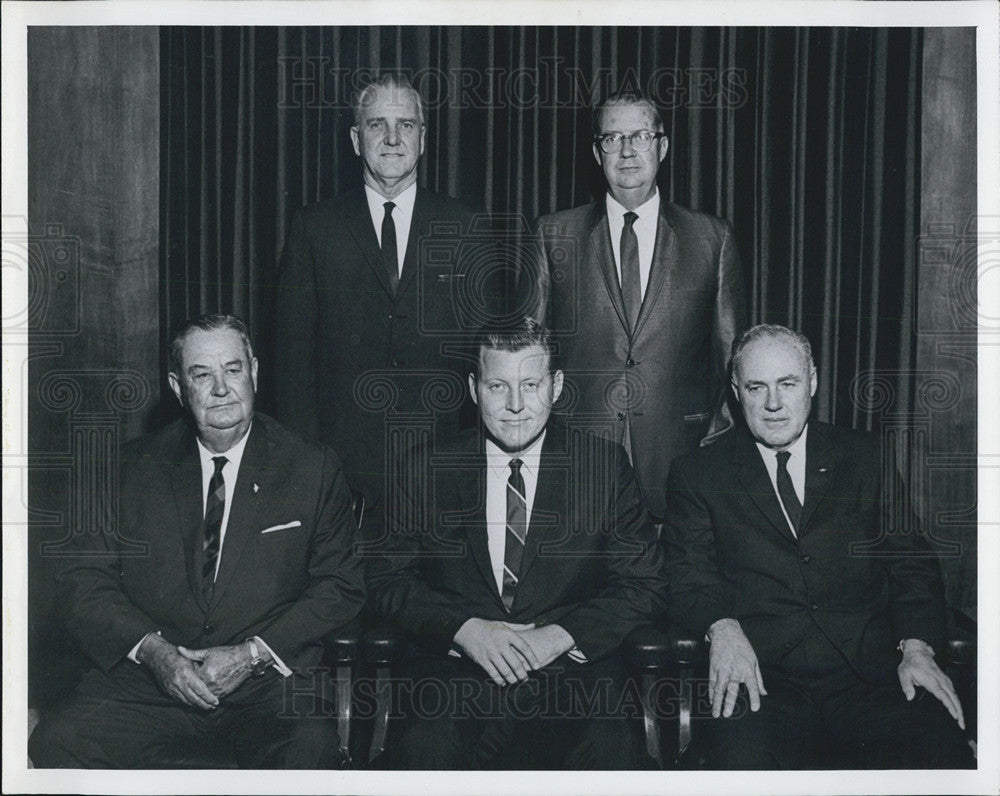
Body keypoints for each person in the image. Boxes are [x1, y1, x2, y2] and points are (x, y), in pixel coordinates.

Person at [29, 314, 365, 768]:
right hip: (150, 687)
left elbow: (340, 586)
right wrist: (155, 653)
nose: (221, 388)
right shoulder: (126, 469)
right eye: (201, 374)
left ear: (255, 372)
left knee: (310, 746)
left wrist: (251, 655)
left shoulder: (312, 467)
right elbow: (84, 582)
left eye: (233, 369)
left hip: (266, 688)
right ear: (176, 386)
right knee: (58, 740)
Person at [662, 323, 973, 769]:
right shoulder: (699, 473)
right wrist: (722, 626)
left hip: (871, 678)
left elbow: (912, 564)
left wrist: (917, 647)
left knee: (939, 749)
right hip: (763, 683)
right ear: (736, 391)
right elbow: (687, 575)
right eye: (756, 387)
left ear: (811, 381)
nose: (773, 404)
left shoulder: (866, 458)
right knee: (741, 761)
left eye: (787, 384)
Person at [367, 318, 667, 769]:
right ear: (473, 388)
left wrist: (559, 637)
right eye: (497, 386)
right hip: (456, 675)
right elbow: (384, 577)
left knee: (613, 750)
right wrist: (465, 630)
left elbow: (644, 584)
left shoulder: (602, 467)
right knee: (421, 750)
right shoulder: (425, 468)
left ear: (557, 386)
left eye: (530, 384)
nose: (515, 405)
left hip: (572, 677)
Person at [273, 72, 501, 542]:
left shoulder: (466, 225)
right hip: (342, 478)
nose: (393, 138)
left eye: (406, 125)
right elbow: (291, 364)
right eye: (377, 125)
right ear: (357, 140)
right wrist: (312, 471)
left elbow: (486, 358)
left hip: (443, 471)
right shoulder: (314, 227)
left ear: (423, 136)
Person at [525, 88, 746, 521]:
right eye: (612, 138)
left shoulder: (711, 239)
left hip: (679, 466)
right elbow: (527, 358)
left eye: (640, 136)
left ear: (661, 146)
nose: (627, 151)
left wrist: (713, 444)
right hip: (579, 465)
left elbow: (733, 360)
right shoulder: (553, 235)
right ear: (596, 151)